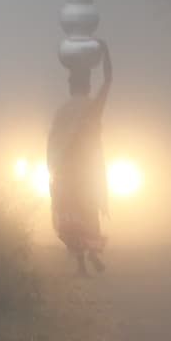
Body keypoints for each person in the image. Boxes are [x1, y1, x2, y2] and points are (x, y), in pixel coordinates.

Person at [48, 38, 112, 275]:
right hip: (87, 169)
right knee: (89, 211)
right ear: (87, 85)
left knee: (71, 215)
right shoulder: (94, 106)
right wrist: (106, 53)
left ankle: (82, 263)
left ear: (71, 87)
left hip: (66, 170)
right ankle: (92, 254)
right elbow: (108, 81)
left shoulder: (63, 111)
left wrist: (54, 167)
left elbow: (52, 141)